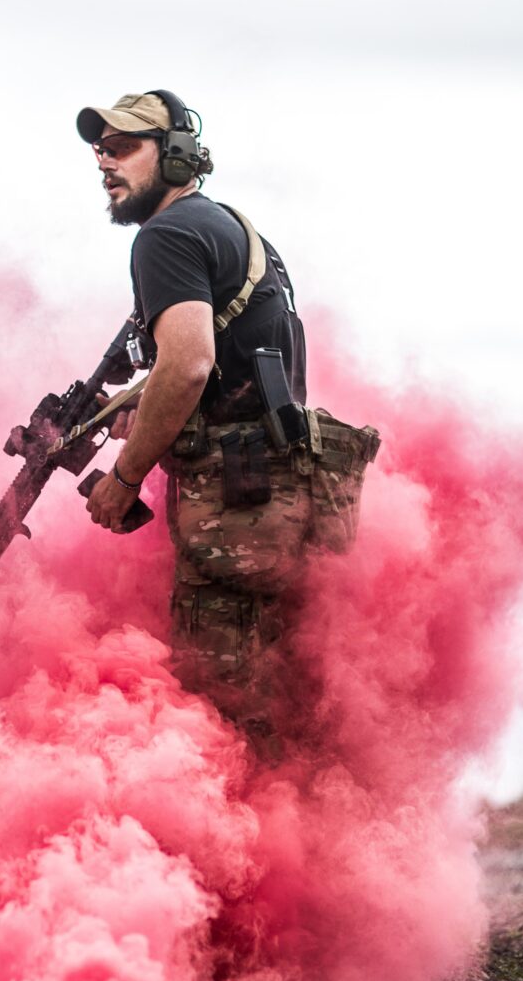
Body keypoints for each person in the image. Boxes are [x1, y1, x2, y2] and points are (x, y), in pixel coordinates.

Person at [77, 90, 372, 730]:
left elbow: (187, 365)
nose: (105, 161)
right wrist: (141, 410)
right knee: (285, 704)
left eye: (124, 146)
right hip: (286, 501)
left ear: (178, 155)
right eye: (101, 149)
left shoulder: (166, 237)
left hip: (238, 509)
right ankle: (298, 831)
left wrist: (123, 480)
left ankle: (241, 833)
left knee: (220, 710)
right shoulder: (234, 230)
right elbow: (232, 374)